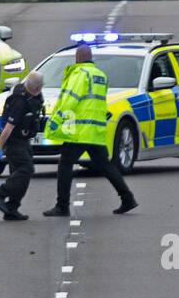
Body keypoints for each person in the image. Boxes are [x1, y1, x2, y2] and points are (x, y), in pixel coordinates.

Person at [42, 44, 137, 216]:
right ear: (90, 57)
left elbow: (71, 100)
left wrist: (56, 120)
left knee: (65, 165)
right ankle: (127, 198)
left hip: (79, 130)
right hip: (95, 130)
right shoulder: (101, 76)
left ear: (77, 58)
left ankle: (62, 206)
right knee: (106, 166)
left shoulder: (80, 74)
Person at [0, 71, 45, 221]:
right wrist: (0, 147)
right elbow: (8, 127)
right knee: (26, 169)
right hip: (13, 141)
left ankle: (12, 209)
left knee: (20, 176)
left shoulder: (32, 95)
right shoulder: (19, 101)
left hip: (23, 140)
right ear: (35, 88)